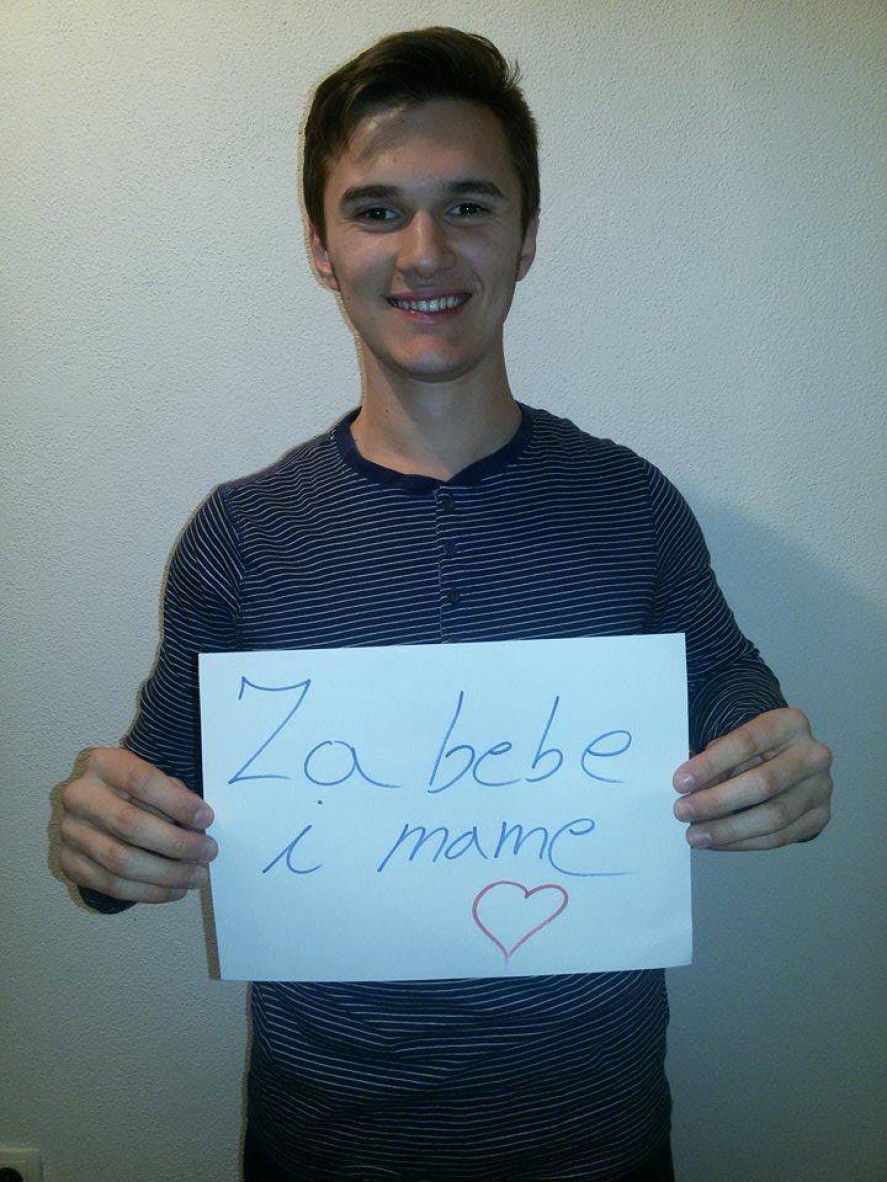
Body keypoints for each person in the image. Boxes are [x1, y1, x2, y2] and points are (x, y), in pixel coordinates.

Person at [57, 27, 833, 1182]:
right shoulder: (242, 535)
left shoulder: (628, 503)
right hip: (322, 1148)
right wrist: (102, 838)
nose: (424, 253)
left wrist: (781, 774)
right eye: (376, 211)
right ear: (320, 248)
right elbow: (150, 807)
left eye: (468, 206)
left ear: (526, 235)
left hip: (598, 1146)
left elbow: (730, 697)